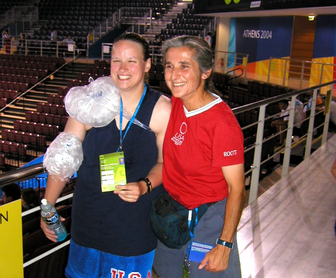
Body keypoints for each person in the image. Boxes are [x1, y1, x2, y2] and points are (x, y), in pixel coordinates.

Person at [41, 33, 171, 277]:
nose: (122, 69)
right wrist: (48, 206)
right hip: (88, 221)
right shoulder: (91, 101)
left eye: (131, 61)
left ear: (147, 65)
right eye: (116, 61)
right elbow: (64, 158)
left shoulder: (162, 109)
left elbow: (166, 163)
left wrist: (144, 185)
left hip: (134, 227)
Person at [153, 36, 245, 277]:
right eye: (169, 66)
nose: (174, 75)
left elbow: (237, 187)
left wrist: (225, 244)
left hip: (209, 218)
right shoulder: (176, 103)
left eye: (184, 66)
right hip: (173, 213)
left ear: (205, 72)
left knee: (205, 271)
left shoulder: (222, 123)